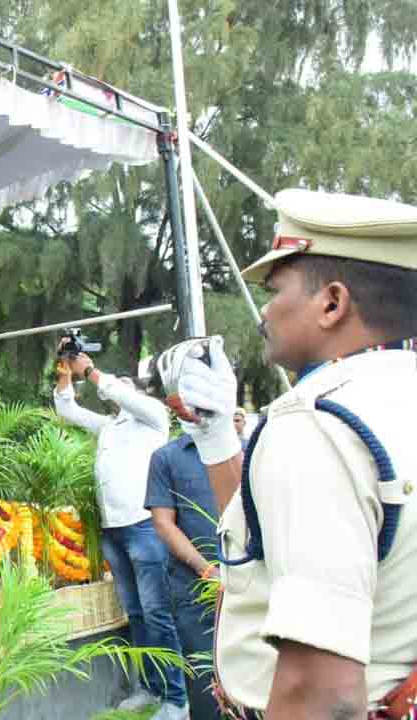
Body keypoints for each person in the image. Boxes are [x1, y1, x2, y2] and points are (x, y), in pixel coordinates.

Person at [173, 190, 417, 719]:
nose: (265, 310)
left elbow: (322, 694)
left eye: (276, 289)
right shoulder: (392, 403)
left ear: (332, 303)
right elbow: (280, 545)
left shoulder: (316, 426)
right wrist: (218, 439)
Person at [54, 355, 186, 720]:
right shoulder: (109, 427)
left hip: (144, 528)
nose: (114, 390)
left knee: (158, 614)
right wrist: (65, 375)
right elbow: (68, 410)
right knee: (137, 615)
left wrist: (92, 372)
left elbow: (119, 391)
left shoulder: (152, 417)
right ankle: (150, 688)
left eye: (124, 386)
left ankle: (177, 699)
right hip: (114, 531)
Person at [145, 433, 222, 720]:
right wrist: (207, 571)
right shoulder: (166, 457)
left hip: (248, 585)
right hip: (195, 589)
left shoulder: (245, 450)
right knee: (205, 685)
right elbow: (163, 524)